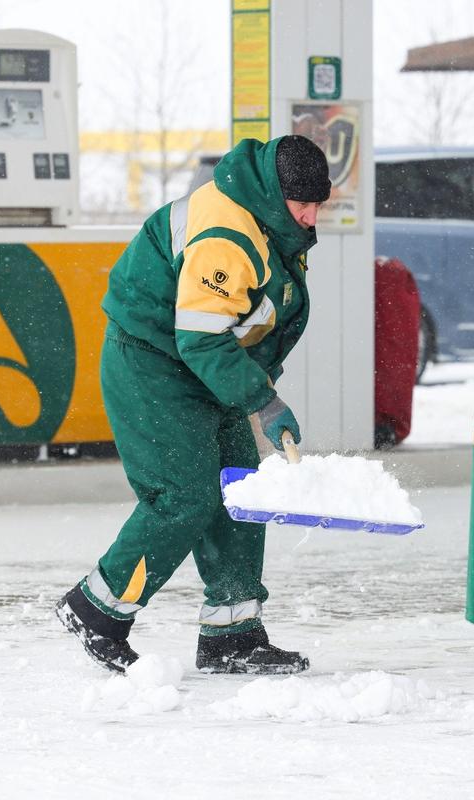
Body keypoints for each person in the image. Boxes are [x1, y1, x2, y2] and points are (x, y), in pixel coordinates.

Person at [56, 135, 331, 675]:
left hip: (210, 365)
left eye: (320, 202)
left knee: (238, 489)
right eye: (303, 203)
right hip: (153, 362)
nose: (311, 215)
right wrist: (262, 401)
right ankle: (98, 608)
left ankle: (233, 635)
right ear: (276, 194)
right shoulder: (227, 234)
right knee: (183, 496)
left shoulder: (271, 220)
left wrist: (256, 384)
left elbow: (252, 318)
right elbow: (200, 337)